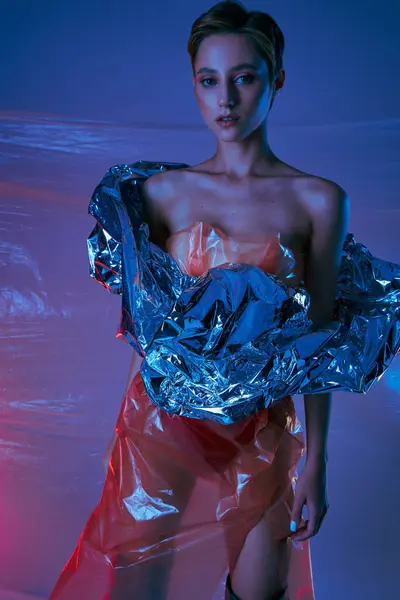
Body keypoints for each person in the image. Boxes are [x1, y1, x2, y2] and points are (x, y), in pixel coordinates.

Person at [49, 2, 349, 599]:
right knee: (138, 584)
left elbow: (320, 339)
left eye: (245, 77)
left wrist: (316, 460)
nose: (226, 99)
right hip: (162, 422)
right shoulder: (162, 196)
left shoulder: (318, 201)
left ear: (277, 78)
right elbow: (145, 326)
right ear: (193, 84)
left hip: (261, 424)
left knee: (263, 587)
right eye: (209, 81)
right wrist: (122, 438)